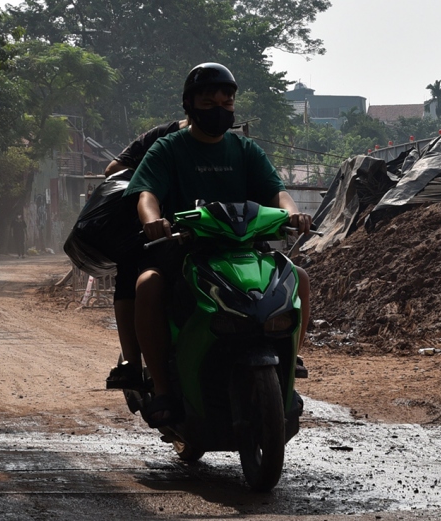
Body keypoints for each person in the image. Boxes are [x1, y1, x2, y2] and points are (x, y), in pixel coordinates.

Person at [124, 63, 313, 427]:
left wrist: (292, 214)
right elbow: (146, 192)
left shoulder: (244, 149)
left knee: (298, 278)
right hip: (185, 249)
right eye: (209, 101)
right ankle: (162, 388)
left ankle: (290, 361)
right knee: (148, 284)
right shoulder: (169, 149)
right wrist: (152, 220)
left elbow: (277, 191)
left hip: (244, 249)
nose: (220, 108)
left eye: (227, 101)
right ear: (190, 104)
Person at [103, 118, 189, 391]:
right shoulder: (161, 142)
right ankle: (132, 361)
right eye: (208, 103)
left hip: (215, 232)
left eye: (226, 103)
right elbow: (113, 170)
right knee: (134, 270)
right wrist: (150, 178)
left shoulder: (232, 148)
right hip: (162, 230)